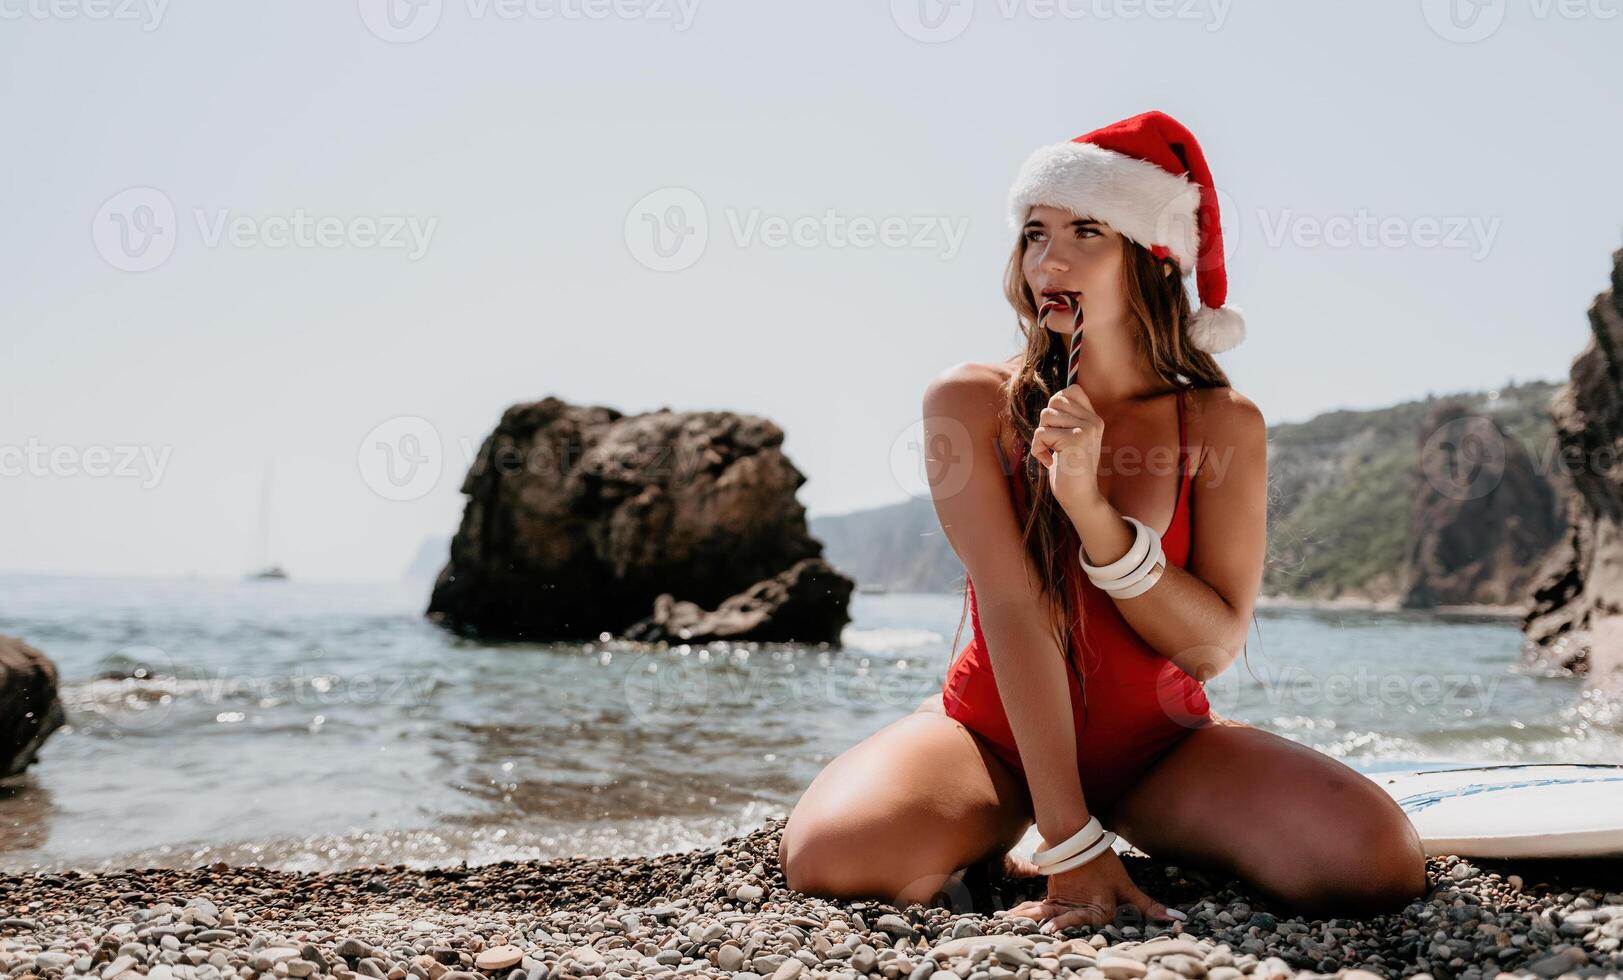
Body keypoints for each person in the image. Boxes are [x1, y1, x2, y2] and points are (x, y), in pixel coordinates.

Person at [777, 110, 1428, 930]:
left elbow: (1211, 647)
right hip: (992, 736)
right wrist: (1070, 841)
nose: (1049, 258)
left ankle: (1082, 830)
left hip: (1160, 750)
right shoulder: (968, 402)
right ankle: (1024, 828)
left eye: (1087, 229)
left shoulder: (1218, 424)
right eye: (1033, 232)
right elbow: (1013, 606)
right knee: (837, 862)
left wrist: (1094, 517)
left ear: (1153, 257)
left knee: (1371, 866)